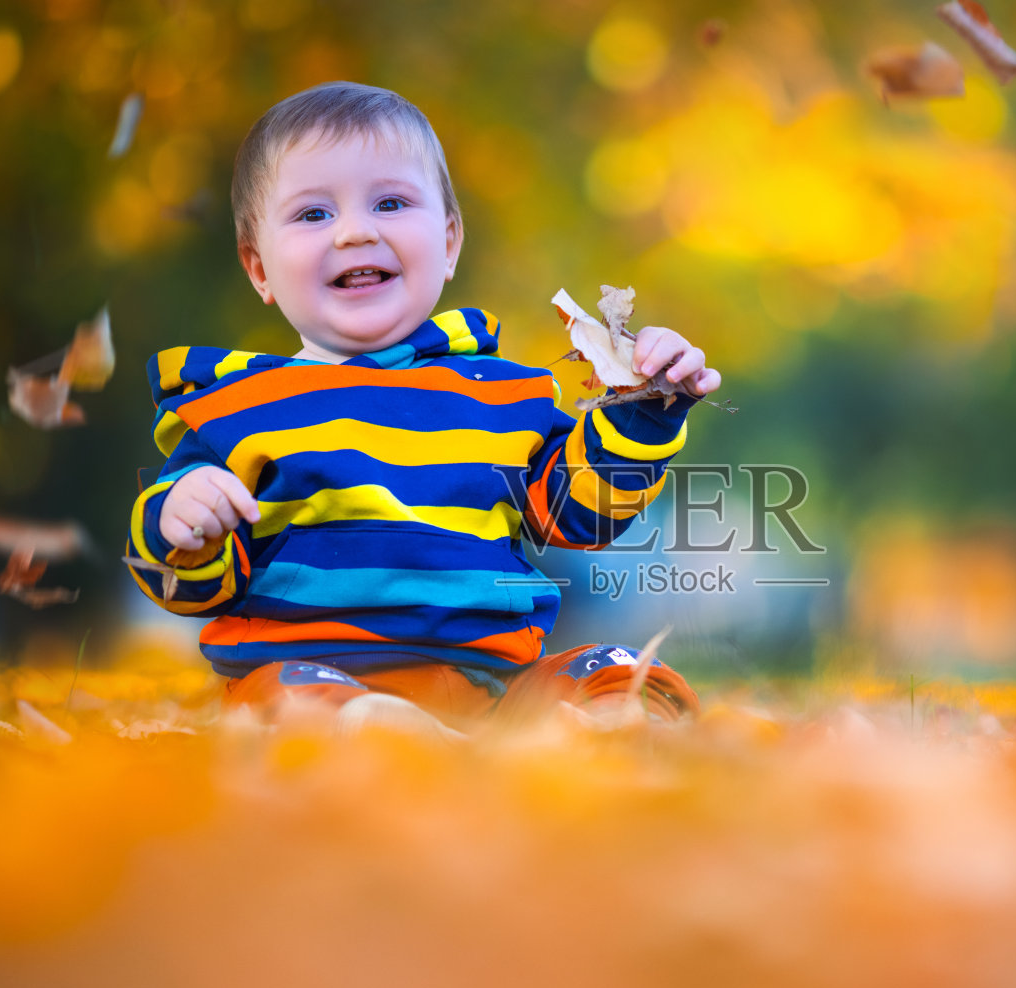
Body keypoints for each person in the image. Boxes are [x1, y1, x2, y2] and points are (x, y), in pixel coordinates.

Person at [123, 81, 722, 728]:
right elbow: (186, 584)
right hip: (313, 673)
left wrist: (645, 402)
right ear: (260, 267)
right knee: (291, 701)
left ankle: (607, 736)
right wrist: (184, 526)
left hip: (491, 687)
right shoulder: (234, 410)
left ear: (449, 243)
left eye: (389, 202)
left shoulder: (502, 394)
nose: (354, 232)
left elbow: (581, 516)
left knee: (614, 668)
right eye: (313, 214)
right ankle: (381, 737)